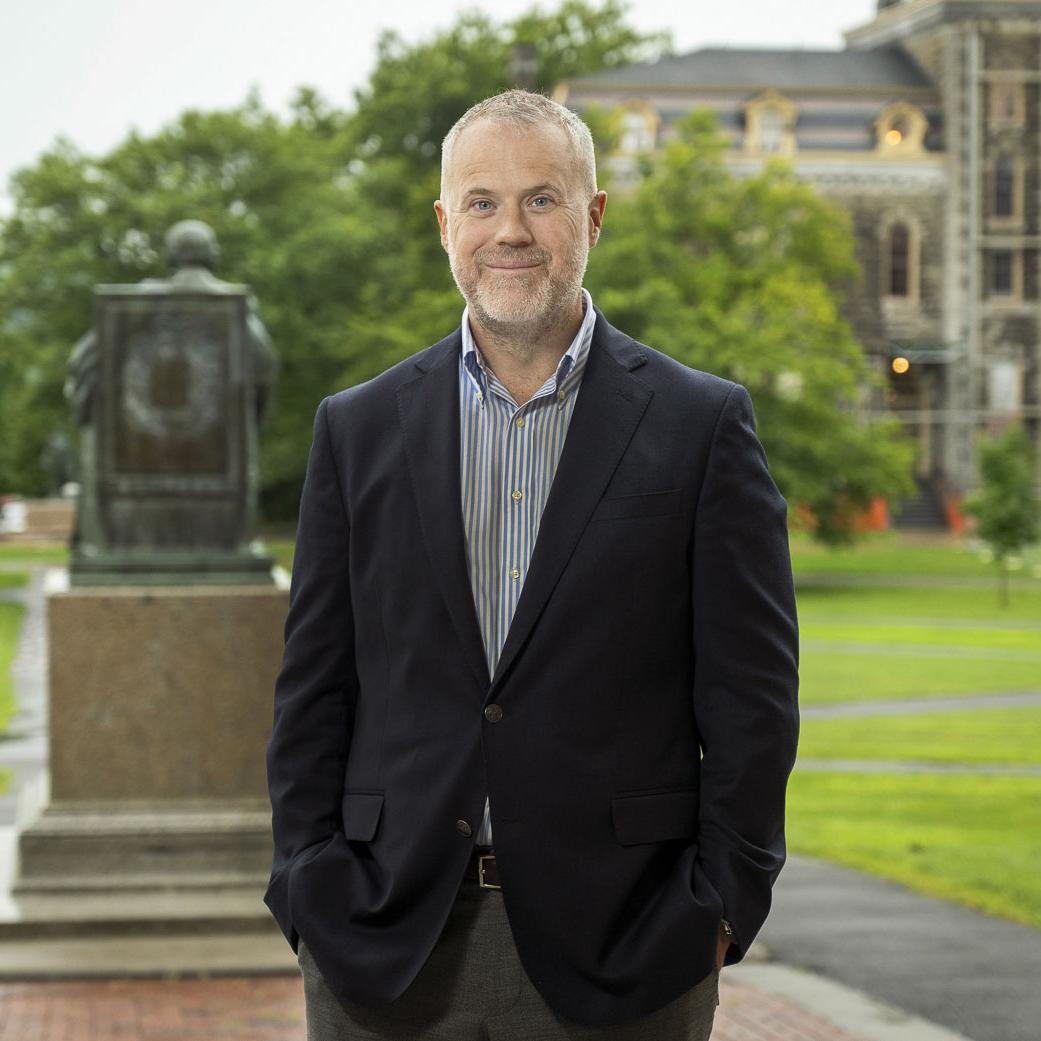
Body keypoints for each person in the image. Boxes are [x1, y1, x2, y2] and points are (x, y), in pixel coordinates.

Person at [265, 89, 799, 1041]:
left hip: (629, 943)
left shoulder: (700, 424)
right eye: (481, 202)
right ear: (444, 224)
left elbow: (752, 700)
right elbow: (315, 687)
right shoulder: (356, 429)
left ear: (592, 216)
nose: (509, 230)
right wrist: (307, 879)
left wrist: (720, 903)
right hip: (385, 943)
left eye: (542, 199)